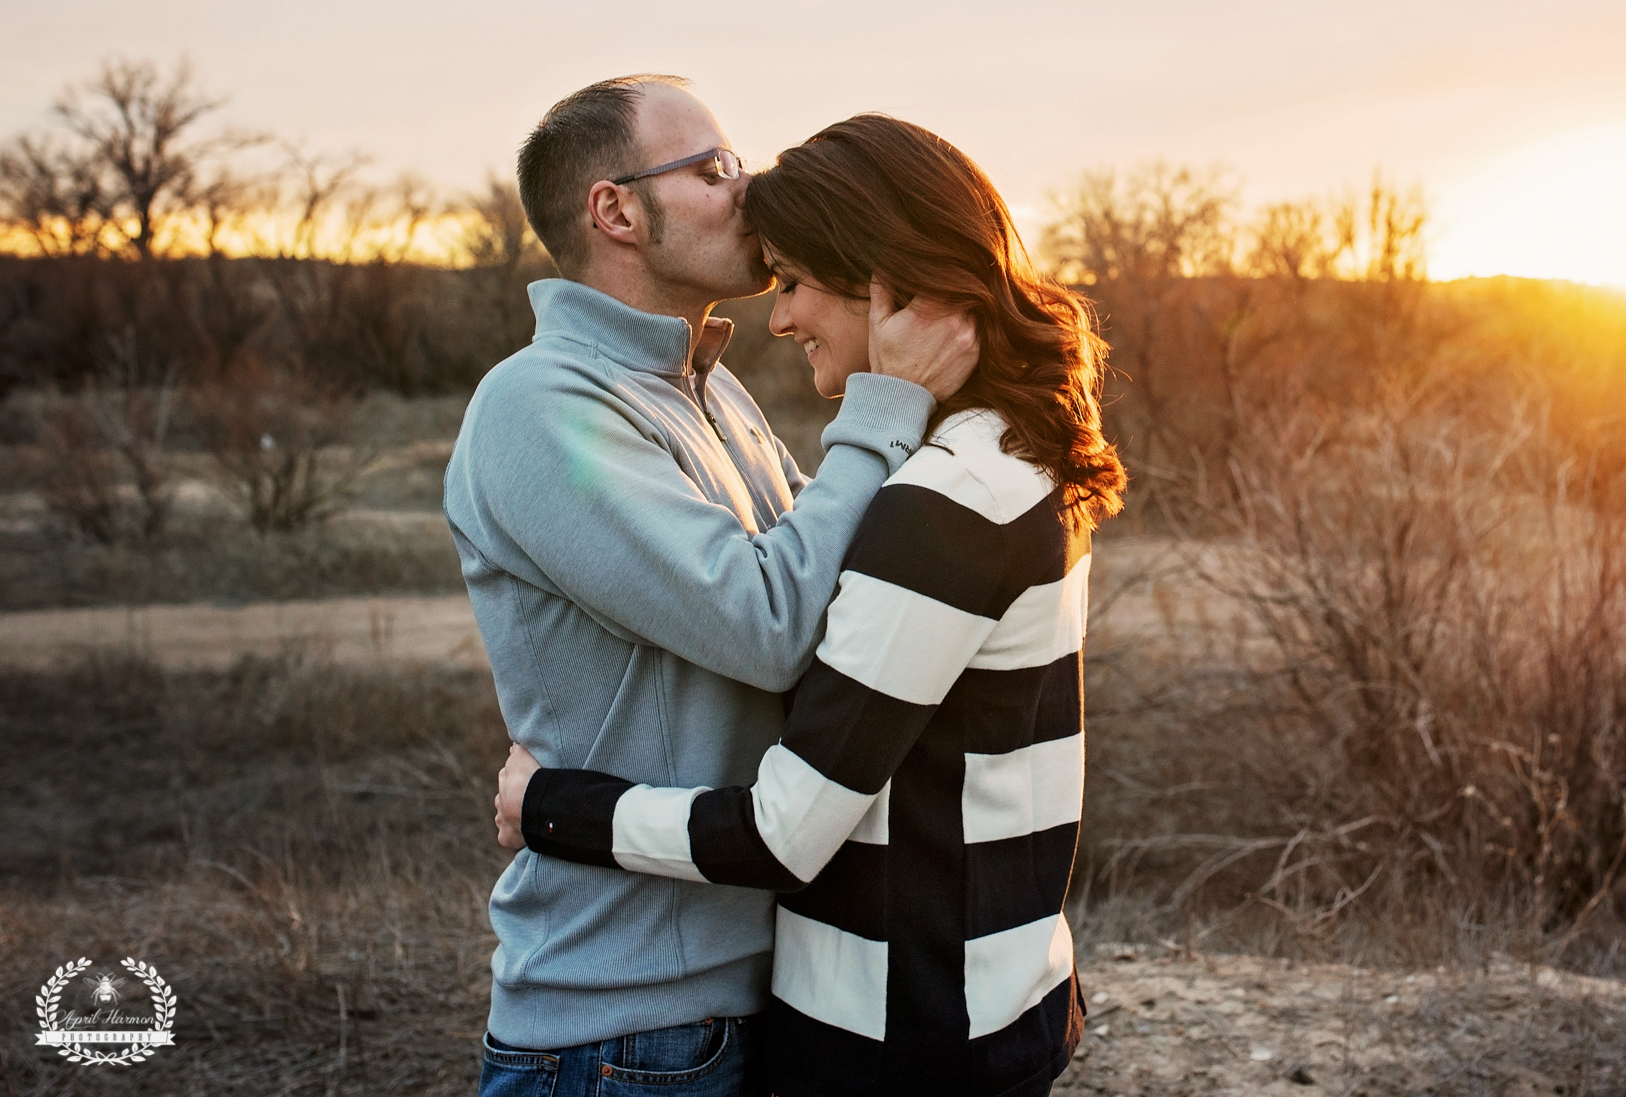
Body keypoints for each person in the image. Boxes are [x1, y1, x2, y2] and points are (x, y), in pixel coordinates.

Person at [493, 114, 1126, 1097]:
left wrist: (552, 806)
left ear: (892, 283)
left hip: (892, 1038)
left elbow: (786, 830)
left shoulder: (944, 500)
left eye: (792, 281)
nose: (779, 319)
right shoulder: (1003, 452)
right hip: (993, 996)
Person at [447, 77, 979, 1097]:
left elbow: (834, 571)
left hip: (743, 1000)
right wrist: (887, 401)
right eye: (712, 170)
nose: (751, 187)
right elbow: (772, 620)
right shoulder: (541, 408)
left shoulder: (709, 388)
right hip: (619, 1033)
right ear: (616, 211)